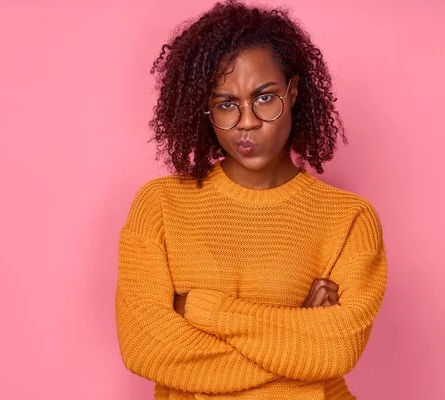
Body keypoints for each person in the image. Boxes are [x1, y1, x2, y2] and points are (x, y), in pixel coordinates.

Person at [115, 1, 388, 399]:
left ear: (292, 92)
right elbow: (146, 347)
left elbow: (336, 349)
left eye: (264, 98)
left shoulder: (348, 219)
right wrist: (297, 338)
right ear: (205, 111)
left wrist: (198, 309)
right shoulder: (160, 206)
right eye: (226, 104)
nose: (246, 121)